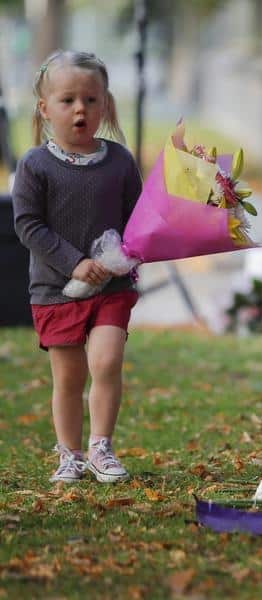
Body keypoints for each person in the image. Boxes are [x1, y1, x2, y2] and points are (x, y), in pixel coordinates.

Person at [12, 50, 141, 483]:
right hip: (55, 288)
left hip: (112, 286)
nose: (80, 109)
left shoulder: (120, 161)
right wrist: (74, 263)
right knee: (68, 377)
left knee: (106, 362)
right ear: (46, 109)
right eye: (68, 100)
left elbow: (137, 219)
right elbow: (28, 224)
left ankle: (101, 447)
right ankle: (70, 454)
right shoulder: (34, 165)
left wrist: (133, 253)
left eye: (90, 99)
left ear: (105, 105)